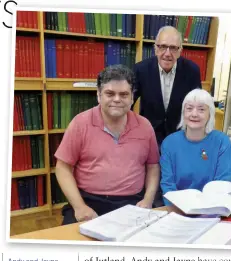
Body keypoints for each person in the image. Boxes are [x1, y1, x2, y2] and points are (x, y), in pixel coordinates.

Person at [54, 64, 160, 225]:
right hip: (88, 200)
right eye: (110, 93)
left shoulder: (145, 126)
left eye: (124, 94)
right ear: (98, 95)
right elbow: (62, 167)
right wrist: (80, 207)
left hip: (132, 202)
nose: (117, 99)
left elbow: (153, 166)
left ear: (132, 97)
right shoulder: (80, 123)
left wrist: (148, 200)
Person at [160, 89, 231, 205]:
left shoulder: (222, 142)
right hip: (178, 206)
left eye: (201, 109)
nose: (194, 114)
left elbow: (222, 183)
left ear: (210, 114)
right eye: (189, 108)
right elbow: (168, 184)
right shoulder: (169, 143)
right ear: (183, 112)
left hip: (211, 206)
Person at [133, 25, 202, 147]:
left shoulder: (192, 71)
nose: (167, 53)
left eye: (173, 48)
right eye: (163, 47)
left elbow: (198, 106)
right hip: (148, 138)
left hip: (181, 139)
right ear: (155, 48)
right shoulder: (140, 70)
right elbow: (127, 103)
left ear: (180, 50)